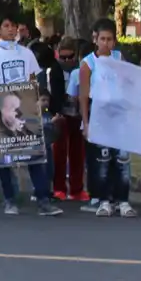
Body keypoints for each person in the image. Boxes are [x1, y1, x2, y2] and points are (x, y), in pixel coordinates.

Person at [0, 13, 60, 217]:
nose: (11, 29)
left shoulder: (26, 54)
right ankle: (10, 200)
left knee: (34, 156)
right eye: (6, 25)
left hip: (25, 111)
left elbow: (32, 82)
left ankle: (42, 200)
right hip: (1, 111)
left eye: (13, 25)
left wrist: (36, 103)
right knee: (5, 157)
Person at [78, 19, 134, 218]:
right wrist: (86, 122)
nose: (106, 43)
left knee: (122, 159)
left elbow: (128, 83)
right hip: (98, 113)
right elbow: (83, 95)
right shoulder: (88, 63)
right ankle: (104, 200)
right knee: (102, 159)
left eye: (110, 39)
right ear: (95, 39)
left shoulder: (119, 58)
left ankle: (123, 200)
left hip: (118, 113)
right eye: (102, 39)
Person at [50, 38, 89, 201]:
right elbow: (53, 93)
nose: (66, 61)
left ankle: (76, 189)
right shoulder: (54, 69)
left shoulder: (82, 69)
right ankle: (59, 188)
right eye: (62, 57)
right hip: (61, 114)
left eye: (69, 57)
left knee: (78, 153)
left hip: (78, 114)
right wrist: (55, 112)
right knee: (59, 153)